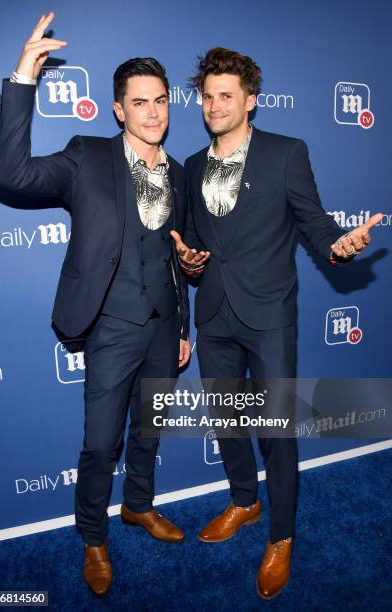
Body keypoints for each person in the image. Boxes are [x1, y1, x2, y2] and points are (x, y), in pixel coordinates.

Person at [171, 47, 381, 600]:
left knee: (278, 432)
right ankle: (245, 500)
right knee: (227, 419)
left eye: (227, 96)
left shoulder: (287, 153)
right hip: (213, 312)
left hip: (268, 314)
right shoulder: (191, 166)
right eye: (208, 96)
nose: (215, 105)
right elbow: (192, 242)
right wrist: (190, 260)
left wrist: (340, 243)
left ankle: (281, 537)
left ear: (251, 102)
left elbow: (314, 223)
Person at [0, 12, 191, 598]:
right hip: (110, 327)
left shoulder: (178, 174)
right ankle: (93, 538)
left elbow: (173, 257)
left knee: (150, 430)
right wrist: (25, 73)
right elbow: (12, 173)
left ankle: (139, 506)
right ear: (118, 110)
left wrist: (181, 326)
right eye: (140, 103)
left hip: (162, 328)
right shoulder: (86, 156)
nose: (154, 112)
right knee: (101, 442)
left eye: (160, 101)